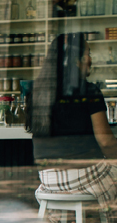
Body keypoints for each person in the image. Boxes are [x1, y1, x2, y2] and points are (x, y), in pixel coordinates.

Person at [27, 32, 117, 162]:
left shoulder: (37, 91)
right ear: (76, 60)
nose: (90, 60)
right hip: (82, 173)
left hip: (48, 177)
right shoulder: (89, 91)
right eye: (88, 54)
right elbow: (106, 142)